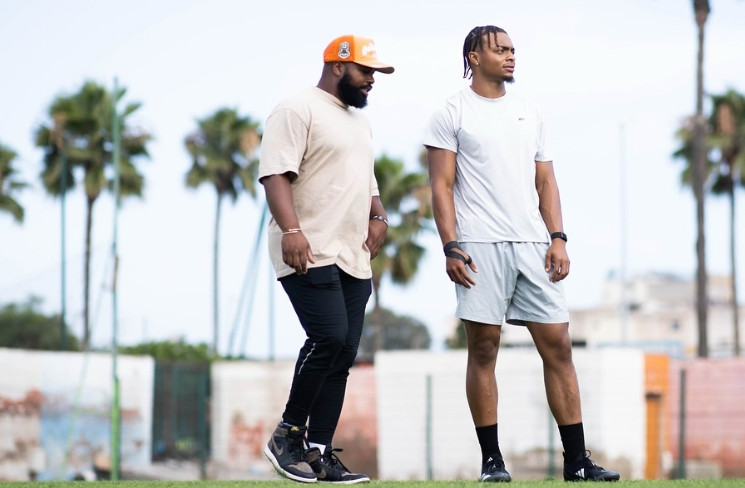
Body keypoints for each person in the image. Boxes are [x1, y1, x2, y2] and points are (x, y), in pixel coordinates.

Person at [423, 25, 621, 482]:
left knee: (560, 346)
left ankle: (577, 463)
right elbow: (442, 186)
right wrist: (451, 246)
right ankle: (492, 461)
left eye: (513, 50)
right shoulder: (450, 113)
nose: (511, 57)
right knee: (485, 348)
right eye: (500, 50)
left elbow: (546, 181)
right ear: (474, 56)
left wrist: (558, 237)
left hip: (533, 244)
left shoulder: (529, 111)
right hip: (479, 245)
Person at [259, 34, 393, 484]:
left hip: (352, 251)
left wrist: (379, 215)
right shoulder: (297, 109)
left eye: (375, 73)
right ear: (338, 66)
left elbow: (366, 179)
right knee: (329, 335)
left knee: (343, 353)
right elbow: (275, 174)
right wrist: (292, 232)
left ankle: (318, 453)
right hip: (308, 246)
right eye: (366, 71)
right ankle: (286, 435)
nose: (372, 80)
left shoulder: (358, 122)